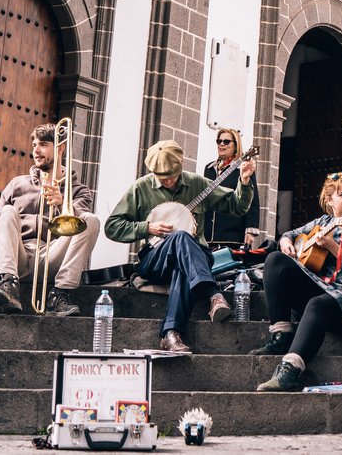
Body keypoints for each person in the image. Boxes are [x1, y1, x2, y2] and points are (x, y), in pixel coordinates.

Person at [104, 140, 256, 354]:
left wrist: (245, 180)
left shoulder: (197, 184)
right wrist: (147, 227)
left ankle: (171, 334)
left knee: (182, 262)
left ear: (180, 167)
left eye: (172, 177)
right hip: (155, 259)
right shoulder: (141, 187)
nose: (167, 182)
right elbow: (112, 227)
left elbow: (237, 206)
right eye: (161, 178)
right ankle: (213, 294)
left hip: (196, 259)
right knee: (181, 237)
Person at [255, 172, 342, 392]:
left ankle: (290, 370)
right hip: (325, 286)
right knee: (275, 259)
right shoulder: (324, 222)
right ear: (329, 200)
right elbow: (290, 233)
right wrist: (286, 242)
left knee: (317, 304)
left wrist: (333, 247)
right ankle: (281, 334)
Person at [0, 122, 98, 315]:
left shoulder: (79, 191)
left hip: (54, 256)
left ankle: (60, 294)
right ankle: (8, 285)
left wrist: (63, 203)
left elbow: (82, 229)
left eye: (43, 144)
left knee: (90, 220)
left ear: (60, 148)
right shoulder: (17, 184)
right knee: (8, 211)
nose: (36, 150)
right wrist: (8, 235)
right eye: (34, 145)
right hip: (19, 256)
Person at [201, 127, 260, 246]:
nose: (221, 144)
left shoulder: (242, 169)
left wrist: (250, 230)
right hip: (207, 235)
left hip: (232, 233)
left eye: (226, 141)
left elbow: (253, 200)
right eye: (219, 141)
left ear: (235, 145)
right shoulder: (209, 169)